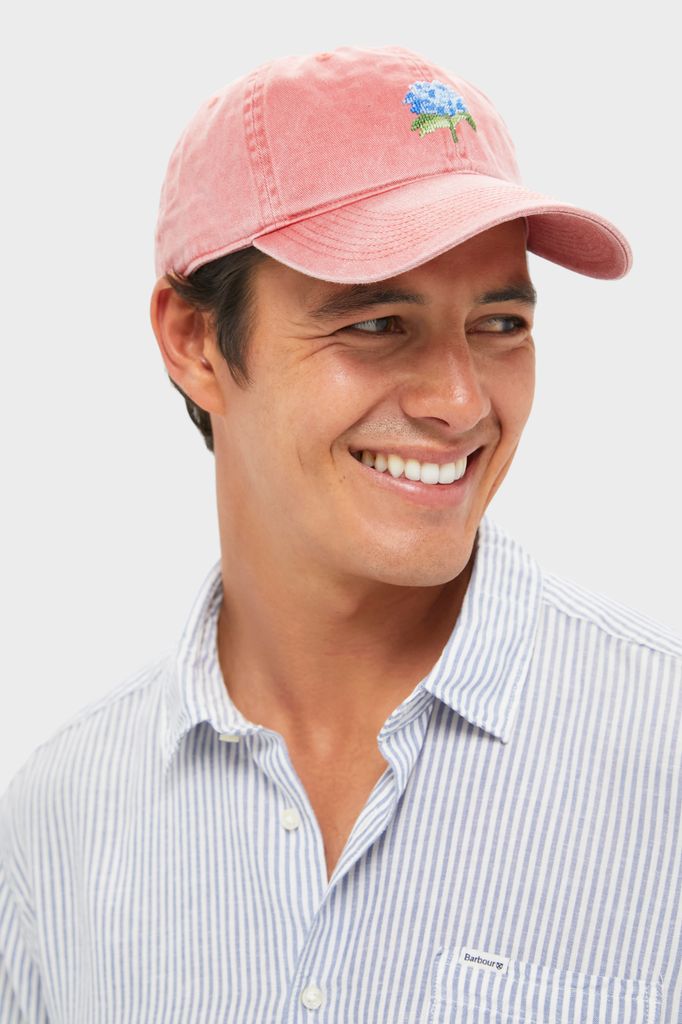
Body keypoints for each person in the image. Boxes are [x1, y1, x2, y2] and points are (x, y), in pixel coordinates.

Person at [0, 44, 679, 1024]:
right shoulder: (59, 825)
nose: (459, 402)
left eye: (498, 323)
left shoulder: (664, 757)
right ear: (194, 342)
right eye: (375, 324)